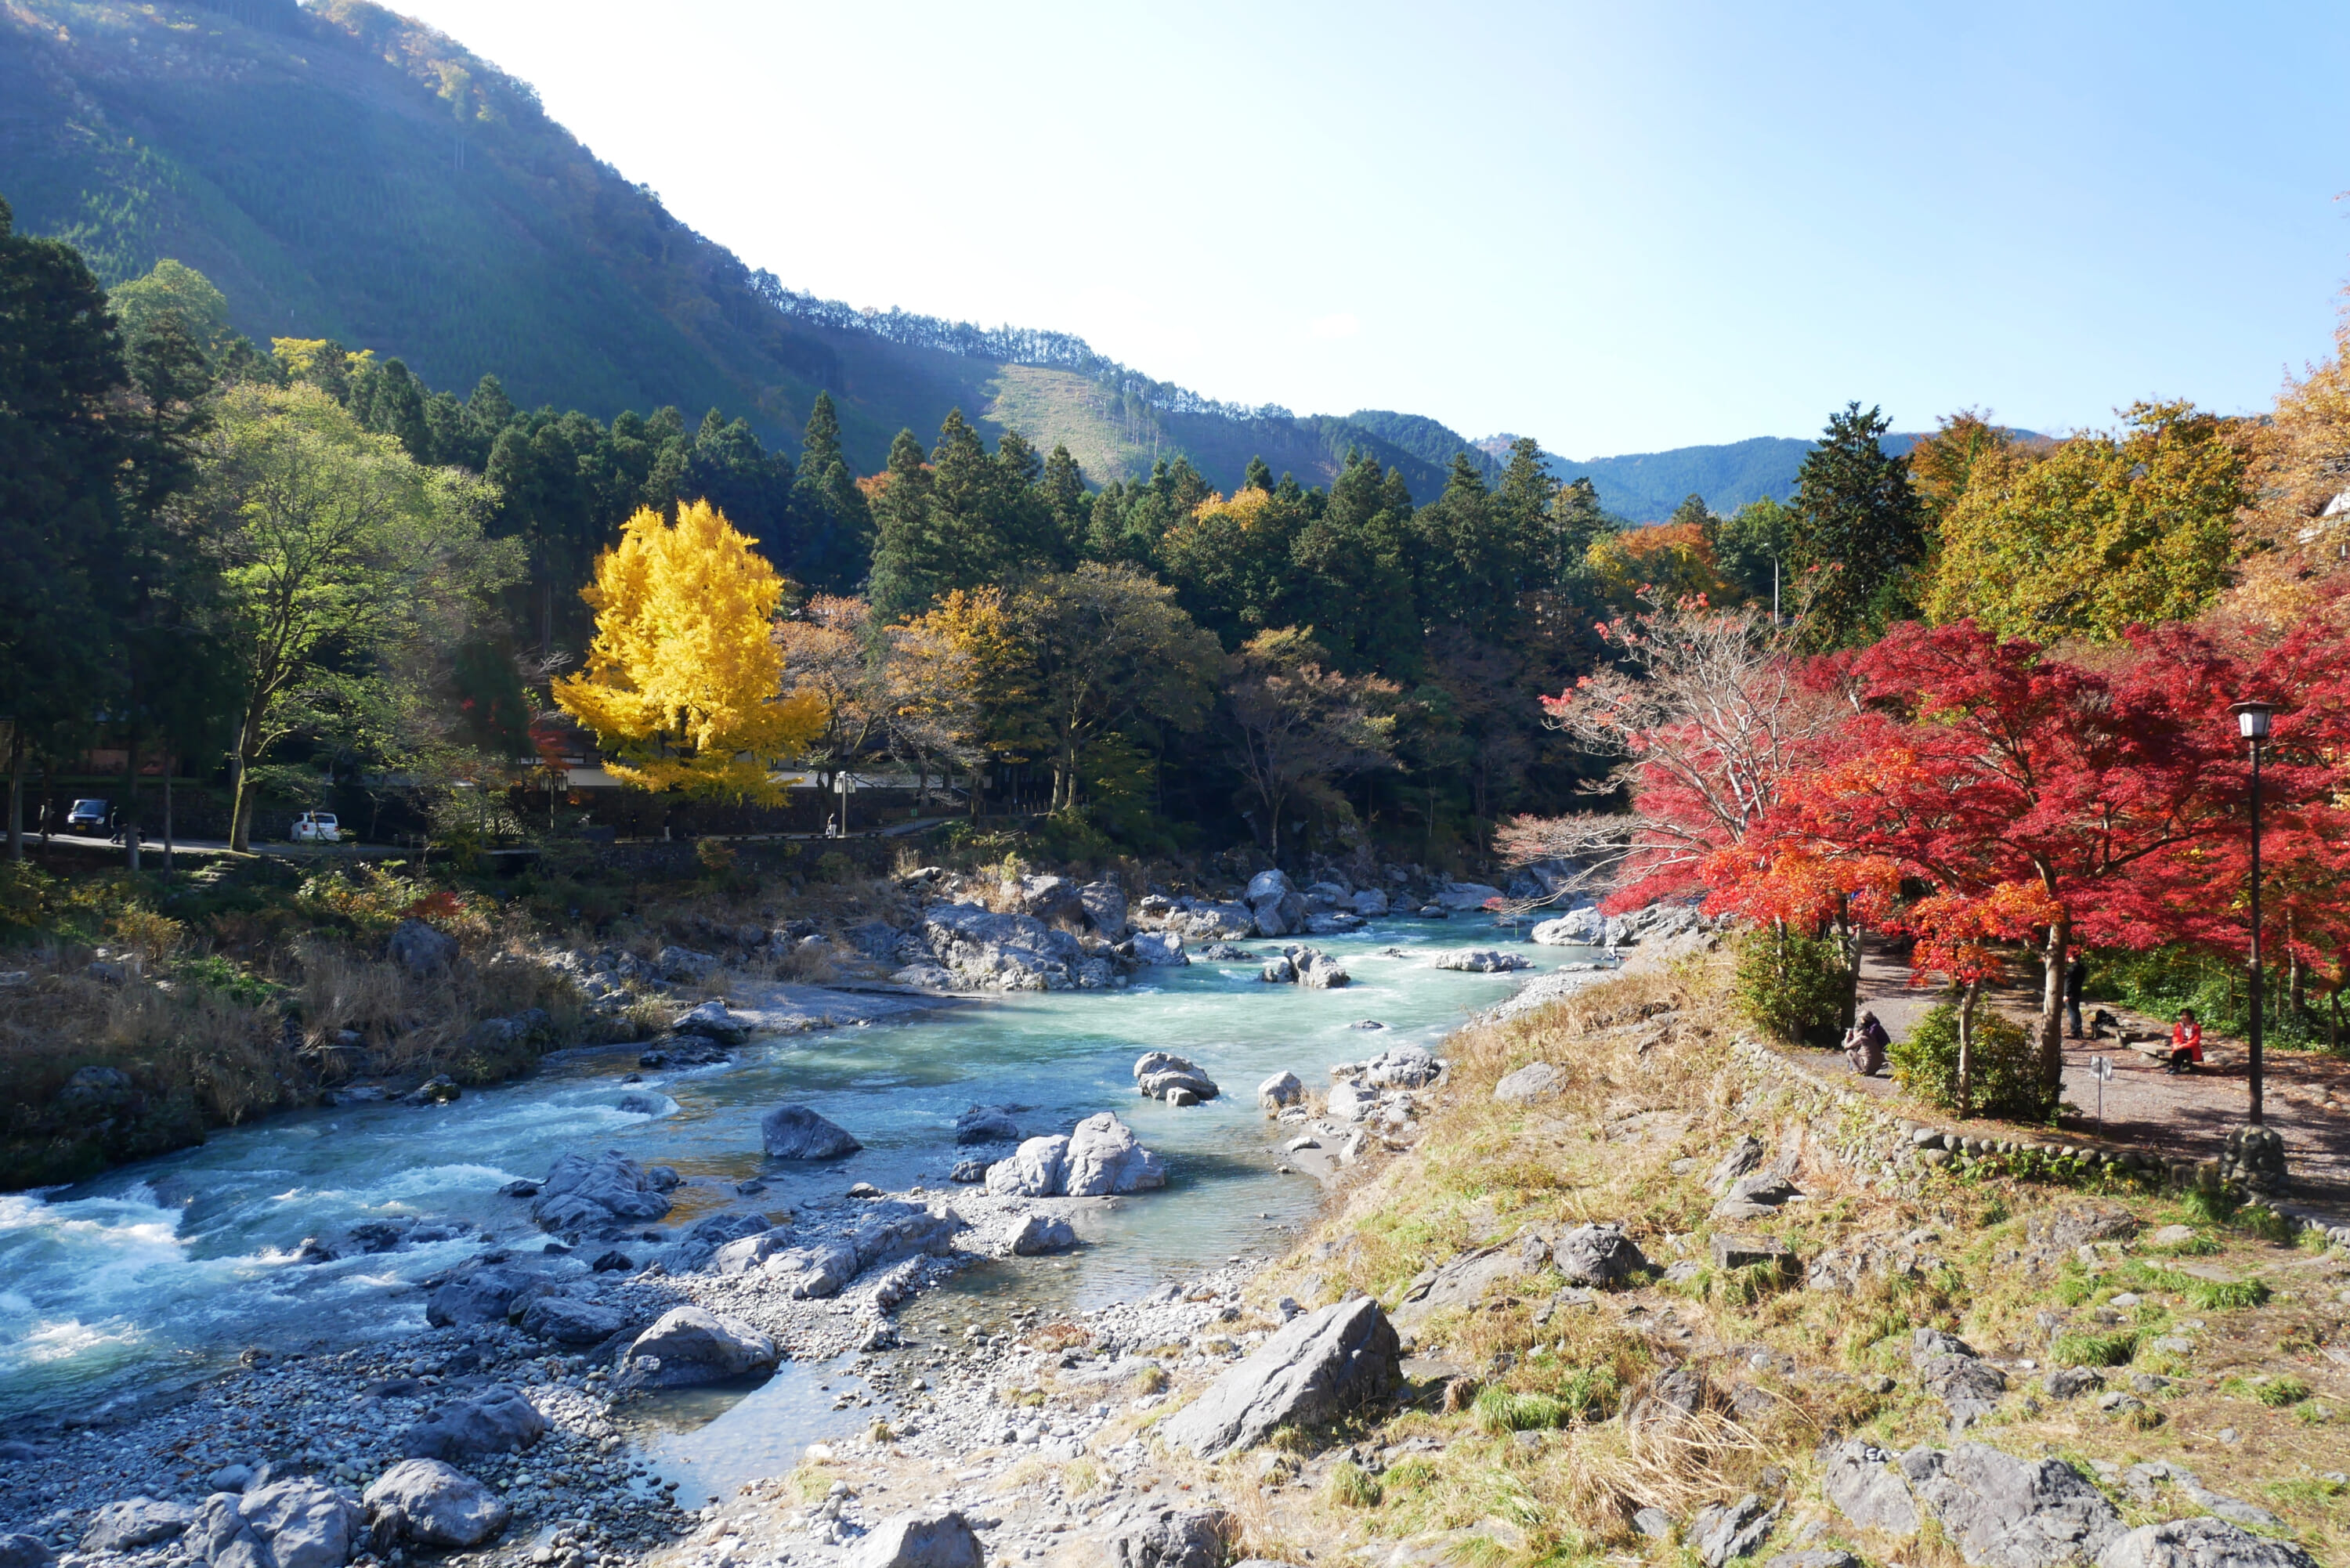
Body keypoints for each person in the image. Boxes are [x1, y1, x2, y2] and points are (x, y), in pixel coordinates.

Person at [1844, 1010, 1890, 1076]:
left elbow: (1846, 1046)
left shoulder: (1874, 1028)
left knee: (1849, 1052)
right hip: (1876, 1062)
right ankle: (1869, 1068)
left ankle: (1859, 1070)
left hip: (1883, 1047)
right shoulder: (1870, 1030)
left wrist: (1848, 1036)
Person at [2165, 1008, 2204, 1075]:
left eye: (2185, 1015)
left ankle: (2176, 1067)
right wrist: (2176, 1045)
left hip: (2191, 1049)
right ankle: (2175, 1067)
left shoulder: (2196, 1027)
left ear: (2190, 1016)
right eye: (2182, 1015)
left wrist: (2183, 1046)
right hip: (2180, 1046)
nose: (2183, 1017)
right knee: (2178, 1050)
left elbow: (2195, 1041)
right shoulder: (2179, 1025)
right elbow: (2176, 1037)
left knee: (2182, 1050)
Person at [2065, 955, 2088, 1039]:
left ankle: (2074, 1031)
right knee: (2076, 1011)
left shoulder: (2072, 969)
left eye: (2069, 957)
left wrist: (2066, 994)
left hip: (2071, 993)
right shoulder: (2082, 968)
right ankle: (2079, 1030)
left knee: (2072, 1012)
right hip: (2078, 991)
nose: (2068, 958)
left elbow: (2069, 982)